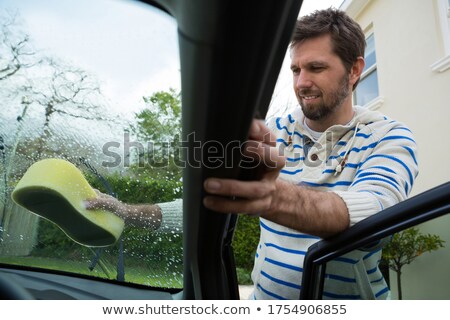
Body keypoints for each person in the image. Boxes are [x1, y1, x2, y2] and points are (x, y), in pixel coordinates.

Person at [87, 8, 418, 300]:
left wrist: (271, 197)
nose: (302, 83)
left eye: (316, 68)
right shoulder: (273, 131)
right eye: (295, 70)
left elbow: (373, 211)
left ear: (355, 70)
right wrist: (125, 211)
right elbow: (212, 201)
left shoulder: (389, 137)